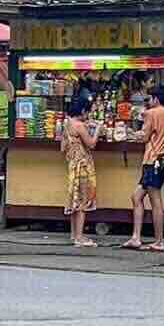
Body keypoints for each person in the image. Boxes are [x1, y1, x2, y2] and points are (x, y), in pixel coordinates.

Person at [125, 84, 164, 251]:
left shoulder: (151, 113)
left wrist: (131, 132)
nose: (147, 102)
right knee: (136, 197)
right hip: (163, 160)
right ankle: (136, 237)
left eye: (149, 98)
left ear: (156, 98)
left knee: (155, 200)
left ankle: (159, 241)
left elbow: (144, 137)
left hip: (152, 161)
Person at [61, 96, 99, 247]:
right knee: (83, 201)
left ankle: (73, 234)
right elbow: (91, 144)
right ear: (83, 111)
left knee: (74, 200)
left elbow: (62, 148)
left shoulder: (67, 125)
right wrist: (97, 130)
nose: (87, 115)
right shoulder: (80, 126)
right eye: (87, 112)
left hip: (72, 166)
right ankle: (80, 237)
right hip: (83, 167)